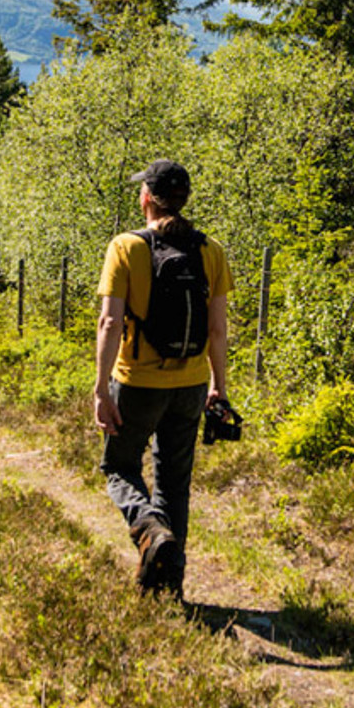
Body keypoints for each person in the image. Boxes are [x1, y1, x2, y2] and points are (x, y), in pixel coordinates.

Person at [92, 158, 232, 599]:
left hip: (136, 382)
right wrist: (219, 388)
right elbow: (218, 329)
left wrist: (100, 389)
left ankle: (150, 530)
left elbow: (110, 324)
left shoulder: (125, 247)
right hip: (190, 383)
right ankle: (168, 587)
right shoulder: (210, 250)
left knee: (118, 466)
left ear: (147, 198)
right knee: (174, 481)